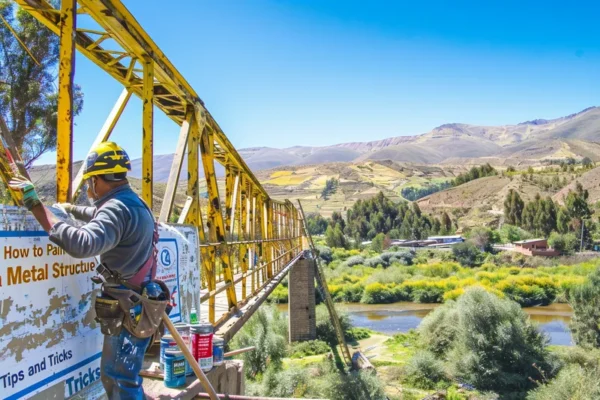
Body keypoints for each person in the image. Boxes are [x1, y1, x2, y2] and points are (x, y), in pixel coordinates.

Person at [9, 142, 159, 400]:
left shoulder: (116, 208)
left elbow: (83, 243)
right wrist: (70, 209)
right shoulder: (134, 203)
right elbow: (101, 214)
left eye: (91, 181)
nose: (89, 187)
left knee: (118, 378)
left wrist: (37, 207)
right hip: (142, 302)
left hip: (127, 308)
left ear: (99, 179)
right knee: (127, 375)